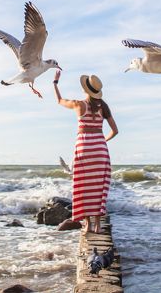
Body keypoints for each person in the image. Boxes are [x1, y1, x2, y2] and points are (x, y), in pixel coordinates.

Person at [53, 70, 118, 233]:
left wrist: (55, 83)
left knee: (84, 185)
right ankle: (97, 225)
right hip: (100, 148)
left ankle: (87, 224)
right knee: (98, 186)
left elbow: (59, 100)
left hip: (84, 147)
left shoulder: (78, 104)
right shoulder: (103, 106)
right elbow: (115, 130)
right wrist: (102, 140)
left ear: (86, 89)